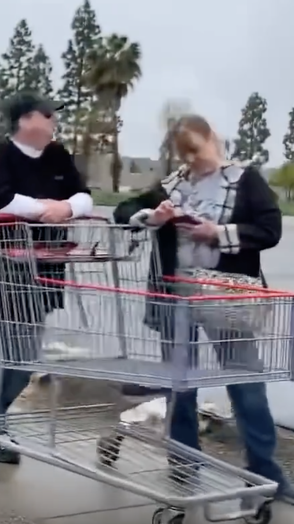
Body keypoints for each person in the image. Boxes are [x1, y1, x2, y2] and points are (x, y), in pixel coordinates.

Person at [113, 114, 291, 499]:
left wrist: (219, 233)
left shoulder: (246, 181)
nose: (192, 159)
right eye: (184, 153)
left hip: (225, 296)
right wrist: (153, 217)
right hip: (174, 296)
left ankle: (265, 472)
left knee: (246, 384)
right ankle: (183, 466)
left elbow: (270, 228)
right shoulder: (171, 185)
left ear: (213, 139)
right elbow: (123, 212)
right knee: (181, 387)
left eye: (196, 149)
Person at [0, 92, 93, 463]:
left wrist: (66, 206)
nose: (53, 122)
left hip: (41, 274)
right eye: (47, 115)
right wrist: (43, 210)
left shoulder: (59, 157)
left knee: (25, 359)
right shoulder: (0, 157)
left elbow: (85, 197)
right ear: (25, 120)